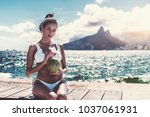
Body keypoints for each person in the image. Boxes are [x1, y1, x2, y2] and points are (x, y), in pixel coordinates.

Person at [26, 13, 68, 100]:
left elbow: (65, 68)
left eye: (54, 30)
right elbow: (28, 72)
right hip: (41, 83)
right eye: (48, 29)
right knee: (52, 98)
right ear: (42, 28)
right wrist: (44, 62)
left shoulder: (59, 46)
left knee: (62, 97)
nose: (51, 32)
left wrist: (61, 71)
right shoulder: (34, 47)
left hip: (59, 82)